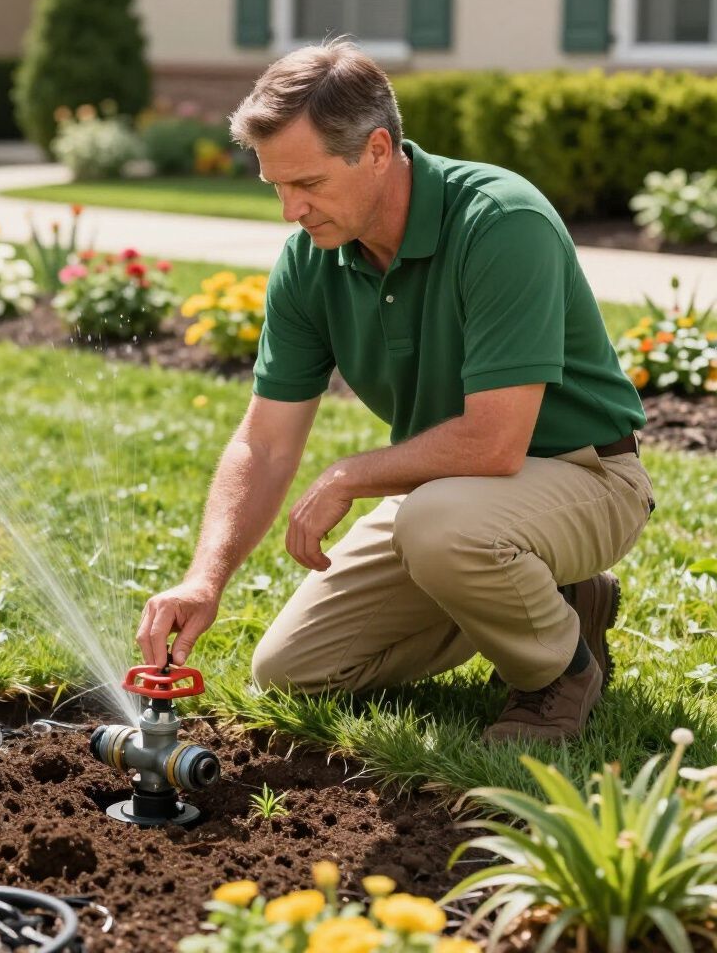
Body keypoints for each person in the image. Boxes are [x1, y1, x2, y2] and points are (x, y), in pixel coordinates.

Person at [136, 38, 654, 743]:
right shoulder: (311, 261)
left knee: (438, 527)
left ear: (378, 150)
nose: (291, 210)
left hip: (585, 473)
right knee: (291, 669)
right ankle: (552, 597)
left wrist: (352, 474)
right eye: (276, 187)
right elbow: (264, 441)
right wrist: (205, 579)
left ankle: (557, 676)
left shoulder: (501, 223)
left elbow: (498, 441)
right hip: (456, 495)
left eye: (309, 184)